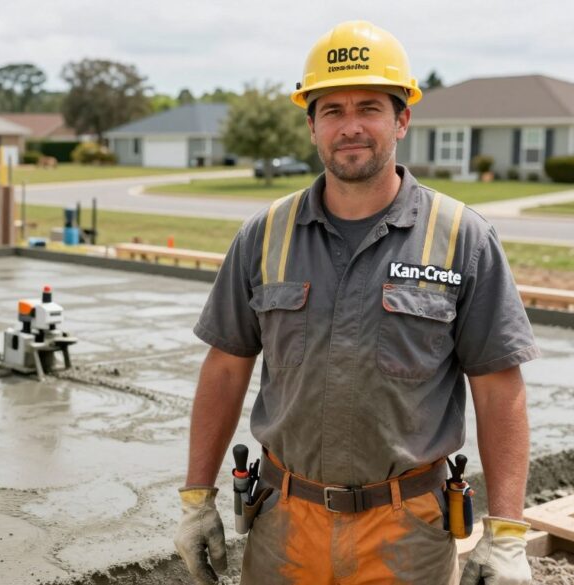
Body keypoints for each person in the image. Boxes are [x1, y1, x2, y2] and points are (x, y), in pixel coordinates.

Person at [173, 20, 539, 585]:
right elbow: (224, 368)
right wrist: (197, 502)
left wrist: (507, 533)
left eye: (369, 107)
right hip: (282, 525)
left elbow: (499, 390)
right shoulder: (264, 236)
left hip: (407, 533)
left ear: (402, 119)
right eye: (332, 111)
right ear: (312, 126)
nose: (351, 127)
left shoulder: (462, 238)